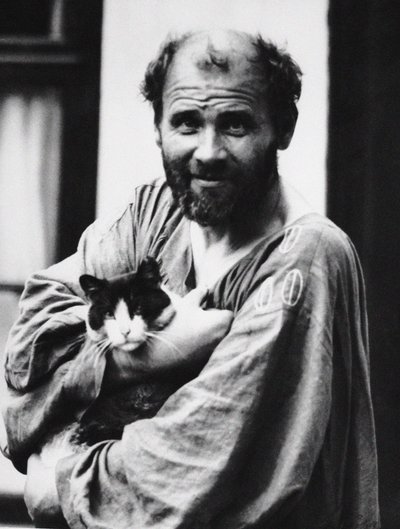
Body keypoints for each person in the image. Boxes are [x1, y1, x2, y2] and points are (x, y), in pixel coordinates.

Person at [1, 29, 380, 528]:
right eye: (186, 122)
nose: (208, 152)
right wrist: (157, 355)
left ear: (283, 128)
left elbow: (186, 464)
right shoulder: (153, 214)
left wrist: (56, 485)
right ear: (158, 128)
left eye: (236, 124)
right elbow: (24, 358)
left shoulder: (302, 261)